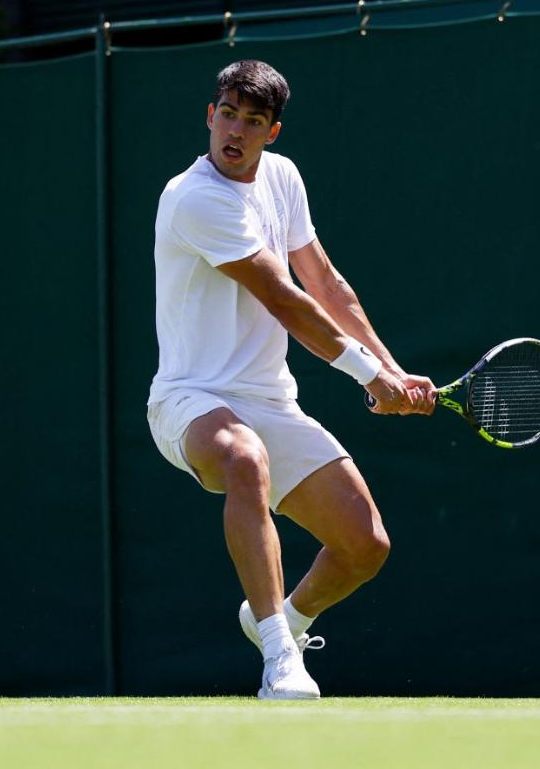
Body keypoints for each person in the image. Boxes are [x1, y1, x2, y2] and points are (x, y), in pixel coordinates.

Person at [147, 59, 435, 700]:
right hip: (191, 399)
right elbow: (283, 297)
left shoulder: (281, 178)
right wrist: (366, 376)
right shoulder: (194, 197)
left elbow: (324, 283)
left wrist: (388, 368)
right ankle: (280, 659)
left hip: (270, 399)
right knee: (244, 459)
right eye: (228, 114)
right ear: (210, 115)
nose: (236, 132)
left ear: (272, 132)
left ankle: (283, 619)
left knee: (364, 545)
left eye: (253, 121)